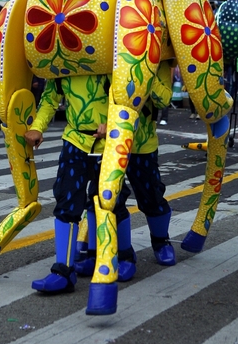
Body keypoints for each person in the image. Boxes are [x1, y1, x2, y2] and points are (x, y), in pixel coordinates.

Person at [25, 72, 175, 294]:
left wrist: (114, 122)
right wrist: (38, 126)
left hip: (114, 142)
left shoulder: (116, 64)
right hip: (75, 140)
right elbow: (50, 97)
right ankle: (63, 271)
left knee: (115, 199)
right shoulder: (63, 65)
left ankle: (130, 253)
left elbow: (132, 101)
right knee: (67, 201)